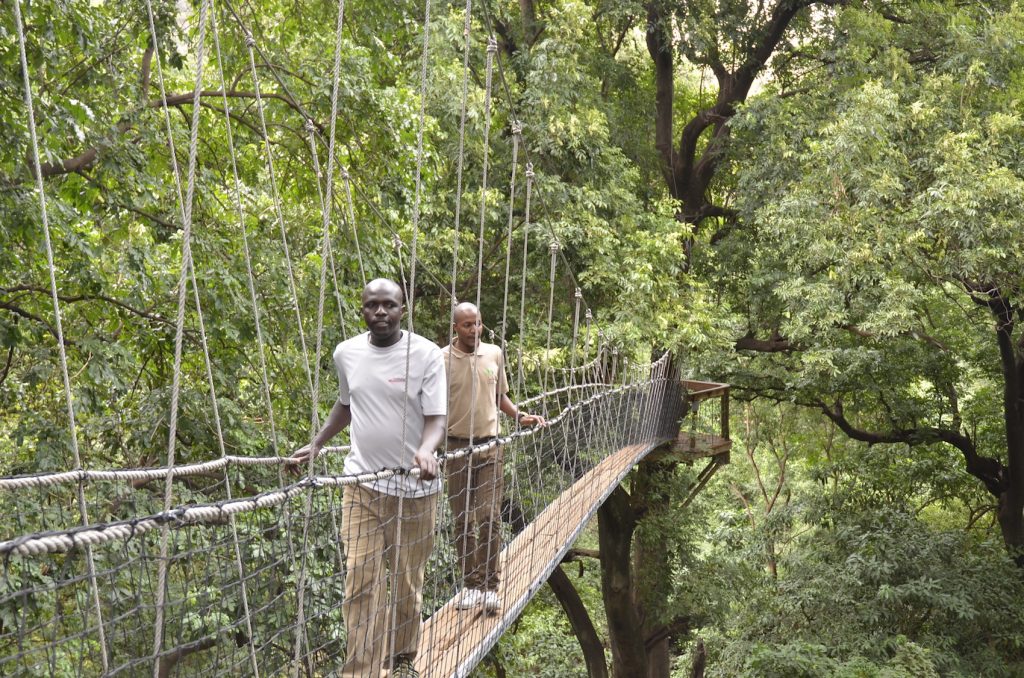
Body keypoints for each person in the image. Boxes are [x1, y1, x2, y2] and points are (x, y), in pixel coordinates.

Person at [290, 278, 445, 678]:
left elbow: (437, 418)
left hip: (416, 491)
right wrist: (318, 444)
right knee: (361, 581)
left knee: (407, 586)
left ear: (401, 310)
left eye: (389, 305)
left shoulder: (426, 354)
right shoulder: (347, 353)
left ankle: (403, 660)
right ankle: (360, 671)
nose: (380, 312)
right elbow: (346, 404)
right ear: (362, 310)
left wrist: (426, 450)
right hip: (361, 485)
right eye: (372, 305)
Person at [442, 301, 545, 613]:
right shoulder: (442, 359)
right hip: (455, 447)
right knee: (462, 521)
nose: (474, 330)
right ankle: (471, 585)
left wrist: (518, 416)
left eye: (478, 324)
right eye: (467, 325)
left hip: (490, 446)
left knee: (488, 517)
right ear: (455, 328)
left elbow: (499, 396)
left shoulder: (495, 353)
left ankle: (489, 586)